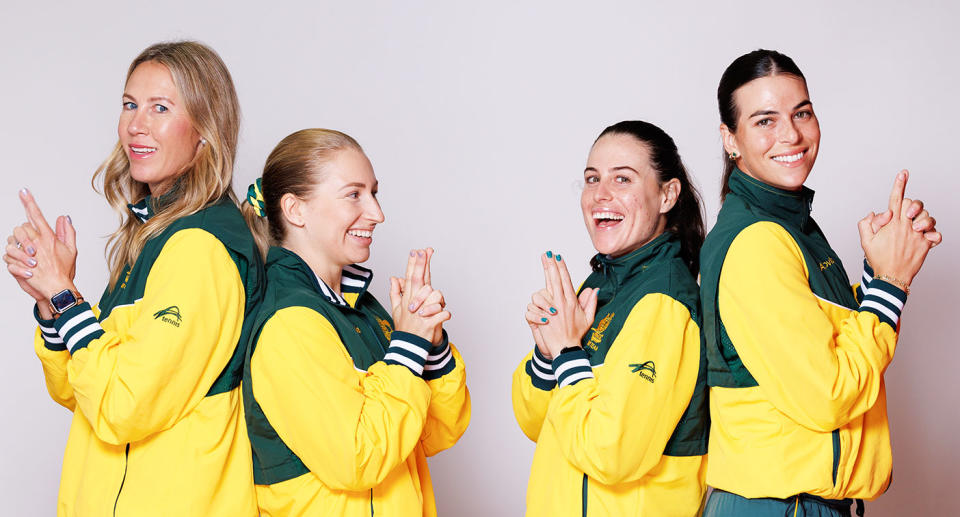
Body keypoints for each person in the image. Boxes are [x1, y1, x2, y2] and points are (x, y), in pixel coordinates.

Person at [3, 41, 262, 515]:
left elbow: (123, 407)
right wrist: (50, 302)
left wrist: (66, 294)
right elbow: (81, 391)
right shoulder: (154, 235)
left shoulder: (200, 247)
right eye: (129, 105)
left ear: (206, 129)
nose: (135, 125)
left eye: (160, 108)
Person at [700, 49, 942, 516]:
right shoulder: (756, 241)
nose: (791, 134)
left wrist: (882, 267)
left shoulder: (791, 225)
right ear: (730, 139)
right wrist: (891, 285)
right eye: (764, 121)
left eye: (802, 113)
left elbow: (818, 341)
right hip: (778, 505)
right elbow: (828, 394)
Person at [239, 128, 471, 516]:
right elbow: (357, 459)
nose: (377, 214)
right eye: (353, 195)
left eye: (374, 192)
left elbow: (434, 433)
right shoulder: (289, 324)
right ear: (296, 210)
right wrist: (408, 347)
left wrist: (428, 340)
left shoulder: (365, 311)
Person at [512, 121, 709, 516]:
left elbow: (611, 454)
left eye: (623, 179)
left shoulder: (664, 300)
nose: (600, 195)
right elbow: (537, 422)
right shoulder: (599, 286)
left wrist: (568, 350)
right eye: (592, 178)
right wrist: (546, 349)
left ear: (668, 194)